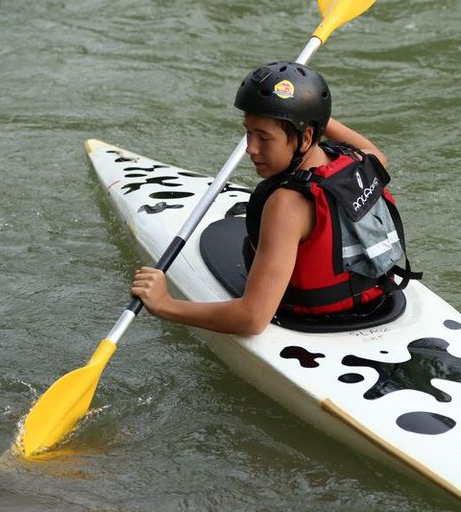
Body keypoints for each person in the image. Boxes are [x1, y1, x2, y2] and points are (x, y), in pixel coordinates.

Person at [131, 61, 397, 335]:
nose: (250, 148)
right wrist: (308, 112)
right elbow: (374, 151)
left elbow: (252, 319)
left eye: (263, 137)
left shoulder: (287, 205)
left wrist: (165, 304)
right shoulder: (359, 161)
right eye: (248, 131)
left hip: (314, 320)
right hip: (378, 300)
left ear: (305, 137)